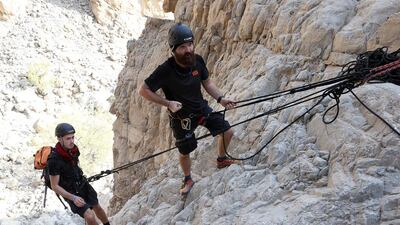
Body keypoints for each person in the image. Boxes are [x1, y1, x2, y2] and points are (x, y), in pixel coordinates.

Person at [138, 22, 237, 195]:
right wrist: (168, 103)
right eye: (183, 47)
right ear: (174, 49)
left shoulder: (197, 61)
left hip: (200, 109)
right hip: (181, 118)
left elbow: (207, 83)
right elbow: (144, 90)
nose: (188, 50)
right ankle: (188, 178)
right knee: (185, 151)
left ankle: (221, 159)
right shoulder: (165, 70)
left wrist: (221, 98)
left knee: (227, 131)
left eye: (190, 44)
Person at [47, 123, 111, 225]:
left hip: (81, 184)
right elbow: (54, 186)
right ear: (59, 139)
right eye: (68, 138)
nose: (72, 141)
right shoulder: (54, 160)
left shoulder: (73, 150)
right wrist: (73, 198)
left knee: (97, 207)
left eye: (73, 137)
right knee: (89, 216)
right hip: (70, 192)